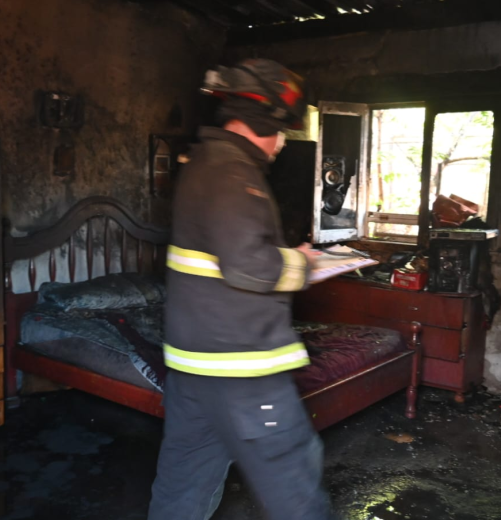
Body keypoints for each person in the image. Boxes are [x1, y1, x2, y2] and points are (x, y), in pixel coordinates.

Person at [148, 59, 332, 520]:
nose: (281, 141)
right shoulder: (234, 174)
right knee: (295, 489)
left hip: (194, 367)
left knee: (183, 489)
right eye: (281, 129)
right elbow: (249, 267)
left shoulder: (202, 164)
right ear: (264, 122)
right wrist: (303, 263)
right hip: (242, 368)